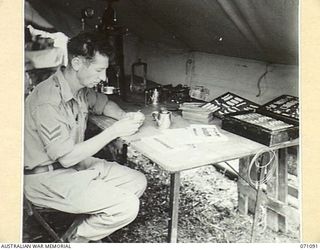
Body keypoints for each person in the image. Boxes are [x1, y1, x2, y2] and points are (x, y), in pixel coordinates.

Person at [24, 32, 147, 243]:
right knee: (127, 206)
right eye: (99, 70)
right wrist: (115, 131)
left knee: (137, 181)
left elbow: (104, 104)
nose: (103, 78)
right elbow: (67, 158)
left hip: (73, 167)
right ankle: (75, 240)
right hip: (45, 177)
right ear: (77, 62)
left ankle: (89, 218)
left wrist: (124, 116)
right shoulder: (48, 101)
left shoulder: (79, 88)